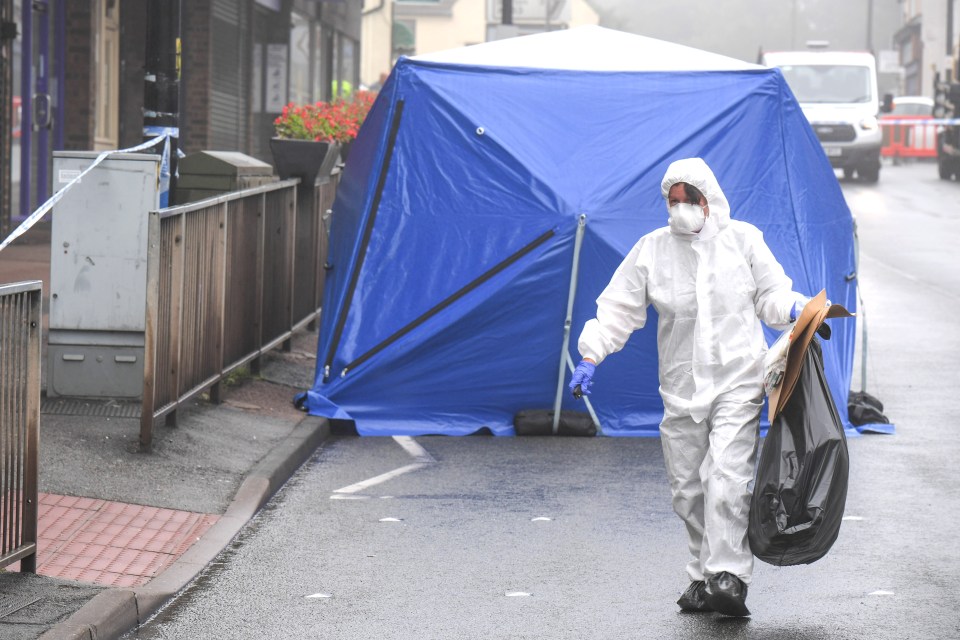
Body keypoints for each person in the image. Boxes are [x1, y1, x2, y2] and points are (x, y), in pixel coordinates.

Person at [569, 157, 808, 617]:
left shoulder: (743, 241)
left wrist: (797, 308)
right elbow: (618, 309)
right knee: (687, 490)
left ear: (708, 200)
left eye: (688, 200)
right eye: (672, 201)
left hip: (738, 380)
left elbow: (771, 295)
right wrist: (590, 354)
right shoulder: (653, 249)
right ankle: (702, 577)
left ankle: (729, 576)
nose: (679, 209)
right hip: (680, 387)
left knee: (725, 477)